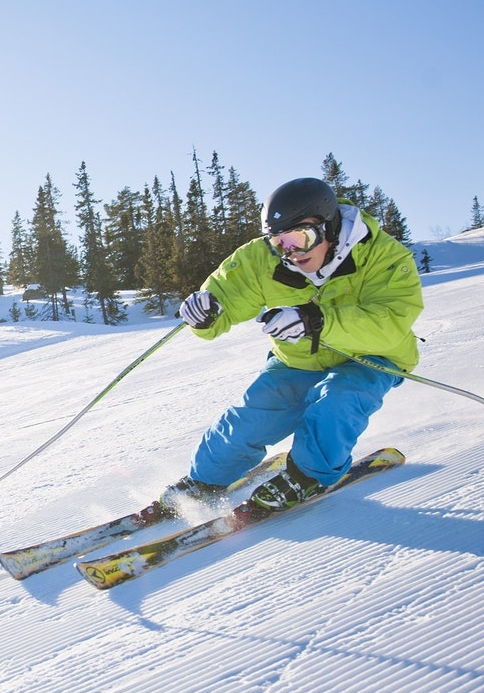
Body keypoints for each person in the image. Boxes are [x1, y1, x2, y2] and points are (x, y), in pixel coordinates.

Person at [169, 177, 423, 511]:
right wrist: (206, 313)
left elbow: (390, 322)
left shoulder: (382, 256)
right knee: (251, 418)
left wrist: (318, 321)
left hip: (369, 357)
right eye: (279, 242)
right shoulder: (261, 260)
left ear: (328, 228)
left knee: (338, 401)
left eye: (299, 238)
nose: (290, 252)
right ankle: (205, 479)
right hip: (297, 360)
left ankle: (307, 475)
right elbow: (227, 295)